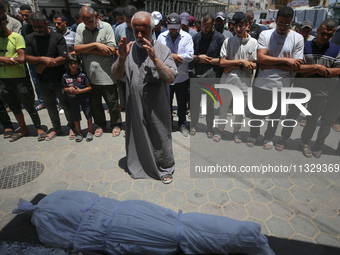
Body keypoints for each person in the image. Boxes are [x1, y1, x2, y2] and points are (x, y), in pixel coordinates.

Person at [112, 11, 177, 184]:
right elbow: (117, 75)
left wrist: (155, 59)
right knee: (137, 136)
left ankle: (164, 166)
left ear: (152, 28)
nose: (140, 35)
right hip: (135, 105)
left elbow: (171, 78)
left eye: (144, 31)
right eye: (136, 30)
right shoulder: (129, 49)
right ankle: (140, 164)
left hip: (157, 106)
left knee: (160, 135)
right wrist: (121, 58)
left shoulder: (163, 50)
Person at [246, 6, 304, 149]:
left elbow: (296, 65)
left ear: (292, 23)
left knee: (275, 116)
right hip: (261, 83)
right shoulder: (266, 35)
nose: (283, 27)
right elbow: (260, 58)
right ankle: (254, 134)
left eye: (287, 24)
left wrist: (269, 62)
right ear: (276, 20)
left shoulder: (298, 38)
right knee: (256, 113)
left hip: (282, 86)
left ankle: (268, 137)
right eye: (280, 23)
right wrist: (286, 61)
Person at [25, 12, 75, 141]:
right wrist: (42, 59)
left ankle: (72, 127)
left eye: (40, 26)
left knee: (65, 104)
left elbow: (63, 57)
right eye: (34, 27)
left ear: (47, 24)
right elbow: (27, 57)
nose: (37, 29)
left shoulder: (57, 37)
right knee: (51, 106)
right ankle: (56, 128)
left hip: (60, 78)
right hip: (42, 79)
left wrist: (45, 64)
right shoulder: (30, 38)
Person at [75, 6, 121, 138]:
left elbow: (111, 50)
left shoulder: (106, 27)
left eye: (90, 21)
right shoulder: (80, 28)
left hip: (107, 75)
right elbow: (77, 48)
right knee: (95, 104)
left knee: (112, 103)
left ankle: (116, 124)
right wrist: (96, 45)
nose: (88, 24)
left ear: (96, 16)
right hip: (90, 75)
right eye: (85, 22)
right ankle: (100, 124)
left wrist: (86, 49)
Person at [297, 19, 340, 158]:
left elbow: (337, 70)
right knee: (312, 120)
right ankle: (304, 142)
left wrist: (317, 69)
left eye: (329, 34)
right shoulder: (305, 46)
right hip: (312, 90)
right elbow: (299, 68)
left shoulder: (335, 49)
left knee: (327, 122)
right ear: (317, 30)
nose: (325, 37)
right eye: (323, 33)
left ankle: (319, 145)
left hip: (330, 90)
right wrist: (318, 68)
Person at [0, 15, 46, 142]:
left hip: (19, 78)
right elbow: (13, 59)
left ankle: (38, 127)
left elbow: (21, 59)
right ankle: (23, 128)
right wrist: (7, 60)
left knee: (29, 104)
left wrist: (3, 60)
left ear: (3, 23)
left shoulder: (16, 37)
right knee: (14, 106)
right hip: (3, 79)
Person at [213, 12, 258, 143]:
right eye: (235, 26)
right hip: (227, 81)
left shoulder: (253, 43)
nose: (238, 29)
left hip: (244, 83)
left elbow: (254, 64)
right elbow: (222, 62)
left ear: (247, 25)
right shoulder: (228, 41)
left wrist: (233, 65)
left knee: (239, 111)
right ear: (232, 26)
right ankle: (220, 130)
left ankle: (236, 132)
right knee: (223, 108)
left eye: (241, 26)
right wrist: (242, 62)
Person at [157, 12, 193, 137]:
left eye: (175, 28)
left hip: (182, 77)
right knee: (167, 103)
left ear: (180, 26)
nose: (173, 30)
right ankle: (168, 124)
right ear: (167, 25)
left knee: (182, 103)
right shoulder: (161, 37)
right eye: (171, 27)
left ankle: (182, 124)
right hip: (167, 77)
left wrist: (176, 57)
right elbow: (157, 55)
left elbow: (189, 56)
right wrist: (174, 57)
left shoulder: (187, 37)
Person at [190, 12, 225, 138]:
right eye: (203, 26)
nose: (204, 29)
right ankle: (194, 124)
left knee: (209, 104)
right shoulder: (196, 37)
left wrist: (211, 61)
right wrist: (199, 57)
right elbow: (190, 56)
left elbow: (223, 59)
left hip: (211, 76)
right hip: (196, 75)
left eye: (207, 26)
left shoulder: (219, 38)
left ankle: (210, 127)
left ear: (213, 24)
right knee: (195, 102)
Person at [63, 54, 93, 142]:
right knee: (75, 116)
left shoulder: (82, 75)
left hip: (84, 99)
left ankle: (90, 131)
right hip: (73, 100)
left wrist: (80, 91)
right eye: (71, 64)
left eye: (75, 63)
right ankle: (79, 133)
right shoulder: (65, 76)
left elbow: (89, 87)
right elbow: (64, 88)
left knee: (88, 115)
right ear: (67, 65)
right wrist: (68, 89)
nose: (73, 65)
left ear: (78, 64)